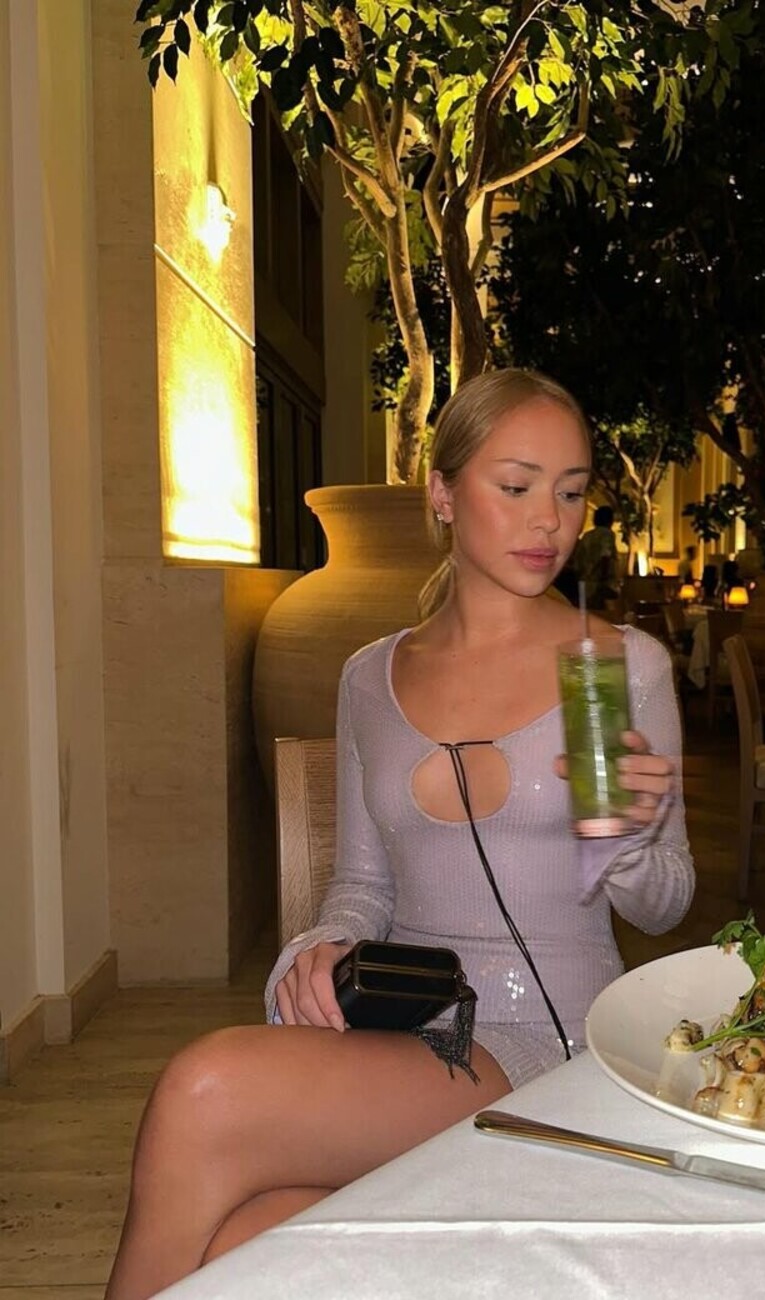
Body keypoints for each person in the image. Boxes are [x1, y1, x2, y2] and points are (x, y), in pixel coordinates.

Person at [104, 370, 693, 1300]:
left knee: (206, 1088)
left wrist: (625, 839)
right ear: (443, 493)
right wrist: (320, 948)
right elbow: (362, 889)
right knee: (236, 1245)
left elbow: (666, 903)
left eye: (572, 491)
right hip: (406, 1033)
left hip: (554, 1046)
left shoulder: (613, 668)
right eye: (517, 485)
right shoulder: (369, 677)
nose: (550, 520)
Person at [572, 503, 619, 609]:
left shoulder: (586, 536)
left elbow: (577, 561)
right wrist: (603, 579)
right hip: (600, 583)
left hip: (584, 583)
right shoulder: (607, 534)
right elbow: (605, 556)